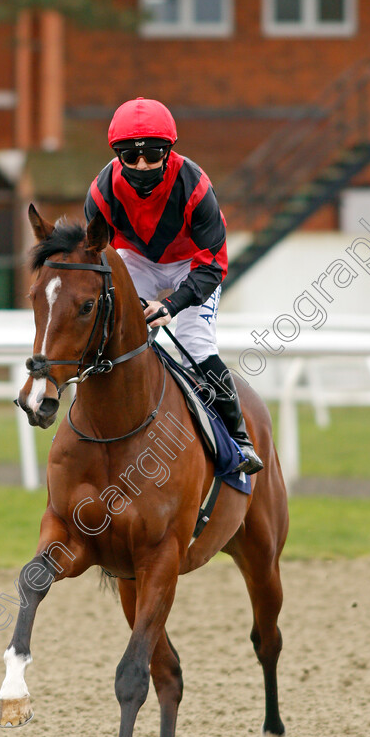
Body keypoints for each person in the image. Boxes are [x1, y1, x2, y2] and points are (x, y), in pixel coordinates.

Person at [84, 97, 263, 475]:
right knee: (113, 337)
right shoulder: (100, 193)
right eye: (130, 157)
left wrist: (172, 305)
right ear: (117, 156)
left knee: (196, 344)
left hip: (192, 264)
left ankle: (238, 437)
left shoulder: (195, 185)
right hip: (136, 260)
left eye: (153, 155)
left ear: (169, 151)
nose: (143, 165)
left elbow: (213, 262)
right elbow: (95, 257)